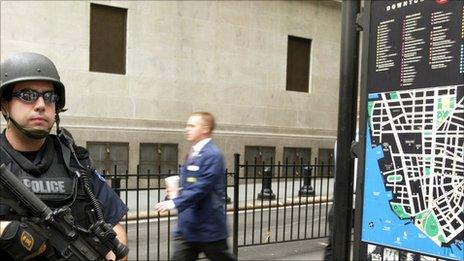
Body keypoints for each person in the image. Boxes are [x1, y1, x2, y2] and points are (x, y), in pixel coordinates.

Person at [0, 52, 128, 260]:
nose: (41, 104)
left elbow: (114, 225)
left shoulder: (76, 160)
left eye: (50, 97)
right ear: (4, 104)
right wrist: (7, 230)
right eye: (27, 95)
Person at [155, 112, 235, 261]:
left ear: (205, 129)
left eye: (192, 126)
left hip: (208, 227)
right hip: (187, 227)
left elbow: (202, 187)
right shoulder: (193, 152)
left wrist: (174, 203)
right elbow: (190, 185)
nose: (187, 129)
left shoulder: (213, 154)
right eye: (187, 125)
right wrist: (174, 193)